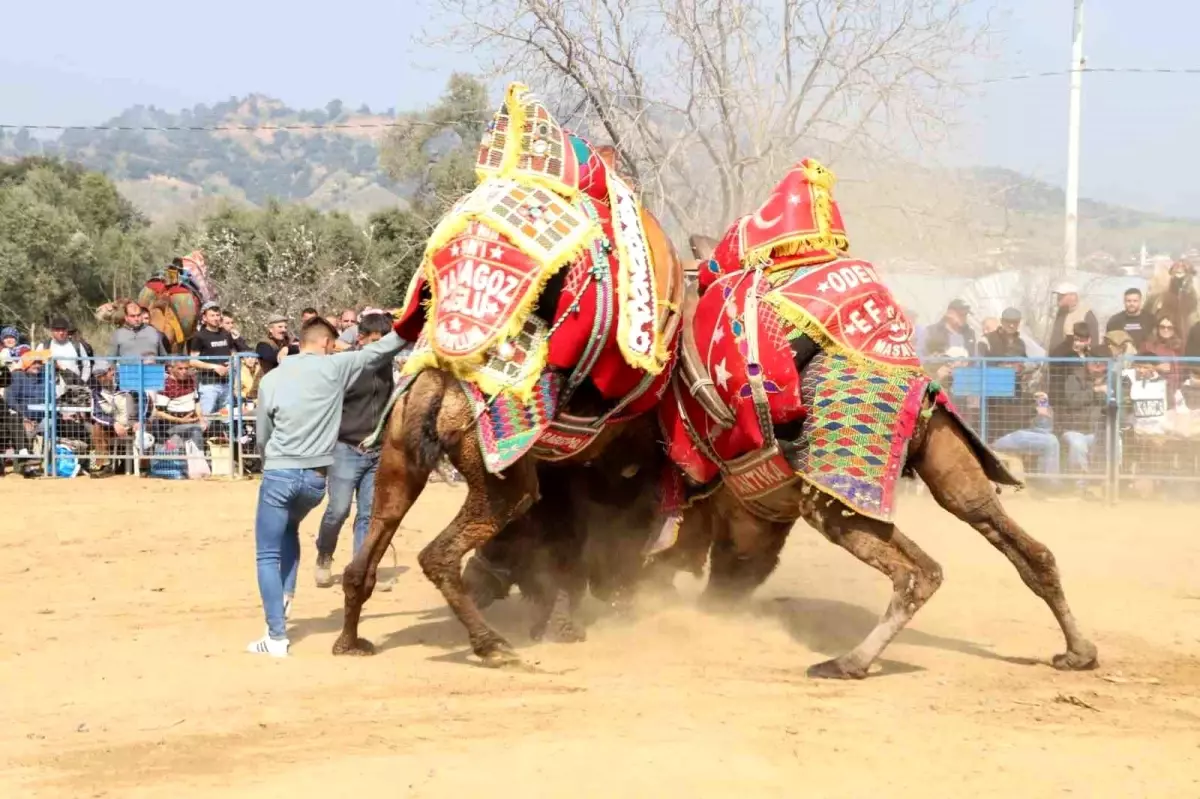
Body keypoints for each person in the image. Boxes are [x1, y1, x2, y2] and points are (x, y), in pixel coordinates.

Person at [248, 316, 406, 657]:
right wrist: (413, 323)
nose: (335, 348)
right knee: (291, 529)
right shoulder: (336, 368)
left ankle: (276, 636)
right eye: (332, 343)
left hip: (280, 472)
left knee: (266, 554)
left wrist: (270, 462)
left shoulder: (272, 379)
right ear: (322, 343)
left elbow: (263, 435)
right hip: (316, 479)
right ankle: (286, 598)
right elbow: (381, 349)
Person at [314, 313, 396, 589]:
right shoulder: (345, 366)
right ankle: (324, 555)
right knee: (337, 511)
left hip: (376, 452)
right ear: (360, 339)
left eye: (386, 342)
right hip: (345, 449)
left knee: (368, 515)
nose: (381, 348)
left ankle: (361, 569)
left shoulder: (388, 368)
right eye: (375, 341)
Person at [189, 301, 246, 418]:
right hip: (209, 384)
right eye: (212, 315)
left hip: (226, 383)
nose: (216, 318)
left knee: (227, 419)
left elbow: (232, 353)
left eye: (217, 315)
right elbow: (192, 361)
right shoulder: (199, 336)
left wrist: (231, 363)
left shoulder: (225, 334)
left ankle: (228, 437)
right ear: (204, 318)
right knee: (207, 418)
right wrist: (214, 367)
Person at [1139, 315, 1184, 406]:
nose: (1165, 330)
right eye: (1162, 327)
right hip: (1155, 392)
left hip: (1176, 393)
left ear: (1174, 329)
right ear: (1157, 328)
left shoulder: (1179, 346)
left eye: (1169, 327)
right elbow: (1137, 367)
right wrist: (1157, 367)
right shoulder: (1148, 346)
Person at [39, 315, 91, 385]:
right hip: (51, 390)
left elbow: (86, 365)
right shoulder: (43, 346)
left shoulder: (77, 345)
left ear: (67, 330)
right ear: (52, 331)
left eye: (63, 330)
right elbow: (35, 367)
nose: (61, 333)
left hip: (74, 388)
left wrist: (82, 382)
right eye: (57, 330)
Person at [1048, 281, 1098, 350]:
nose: (1058, 298)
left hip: (1077, 358)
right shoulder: (1061, 313)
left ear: (1072, 296)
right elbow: (1055, 340)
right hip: (1058, 358)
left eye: (1061, 296)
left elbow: (1094, 343)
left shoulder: (1087, 314)